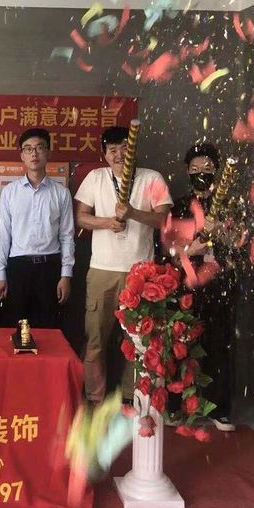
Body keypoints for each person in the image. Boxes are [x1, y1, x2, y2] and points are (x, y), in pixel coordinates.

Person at [74, 126, 172, 404]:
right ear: (104, 154)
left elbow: (163, 220)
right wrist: (108, 222)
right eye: (112, 150)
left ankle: (133, 397)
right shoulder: (95, 178)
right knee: (95, 338)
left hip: (141, 272)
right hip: (102, 270)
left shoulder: (152, 178)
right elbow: (81, 217)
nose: (119, 155)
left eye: (124, 148)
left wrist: (133, 213)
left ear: (133, 150)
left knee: (139, 340)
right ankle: (94, 398)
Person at [165, 143, 241, 431]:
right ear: (187, 172)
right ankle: (175, 406)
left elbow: (240, 245)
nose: (201, 173)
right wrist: (190, 249)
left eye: (207, 168)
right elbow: (168, 251)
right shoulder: (179, 206)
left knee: (219, 345)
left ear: (216, 171)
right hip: (186, 286)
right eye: (195, 169)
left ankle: (219, 409)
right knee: (180, 346)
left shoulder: (231, 205)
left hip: (220, 286)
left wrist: (221, 230)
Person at [0, 128, 75, 329]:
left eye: (39, 148)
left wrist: (66, 275)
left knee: (48, 328)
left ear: (48, 153)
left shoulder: (61, 193)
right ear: (22, 155)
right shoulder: (10, 192)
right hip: (18, 268)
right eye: (28, 149)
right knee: (15, 327)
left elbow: (67, 236)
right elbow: (4, 236)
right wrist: (0, 273)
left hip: (50, 268)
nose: (34, 154)